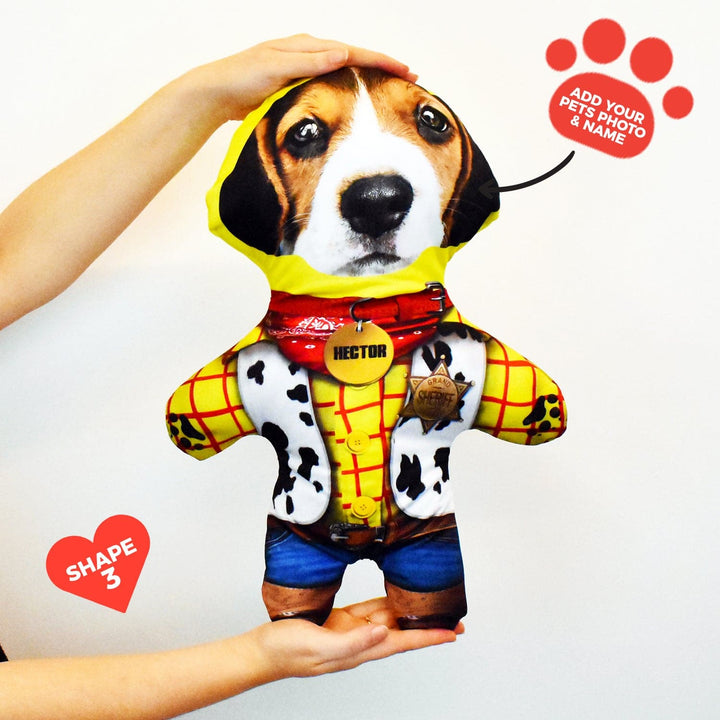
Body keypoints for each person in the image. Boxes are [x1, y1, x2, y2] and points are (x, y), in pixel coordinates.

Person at [0, 35, 459, 720]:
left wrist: (204, 94)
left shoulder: (445, 344)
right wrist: (258, 659)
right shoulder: (271, 358)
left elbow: (12, 262)